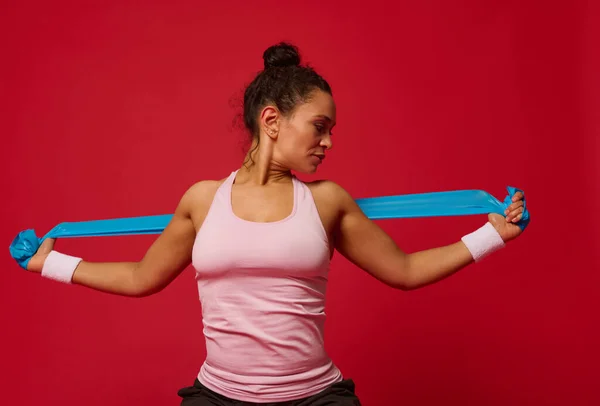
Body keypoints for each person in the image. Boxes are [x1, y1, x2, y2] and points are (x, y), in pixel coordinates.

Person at [25, 42, 526, 405]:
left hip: (315, 398)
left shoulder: (328, 202)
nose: (328, 143)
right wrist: (51, 262)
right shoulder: (202, 201)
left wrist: (491, 235)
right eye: (319, 127)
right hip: (218, 398)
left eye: (331, 131)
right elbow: (141, 278)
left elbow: (406, 270)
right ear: (271, 121)